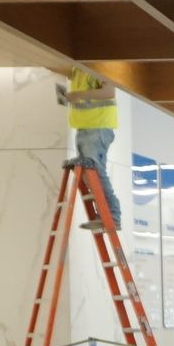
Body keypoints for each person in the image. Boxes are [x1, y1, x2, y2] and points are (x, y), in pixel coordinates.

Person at [66, 69, 122, 232]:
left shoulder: (98, 65)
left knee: (96, 171)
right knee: (88, 175)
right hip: (84, 127)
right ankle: (104, 215)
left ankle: (112, 215)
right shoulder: (77, 69)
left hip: (98, 126)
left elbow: (109, 91)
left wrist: (78, 95)